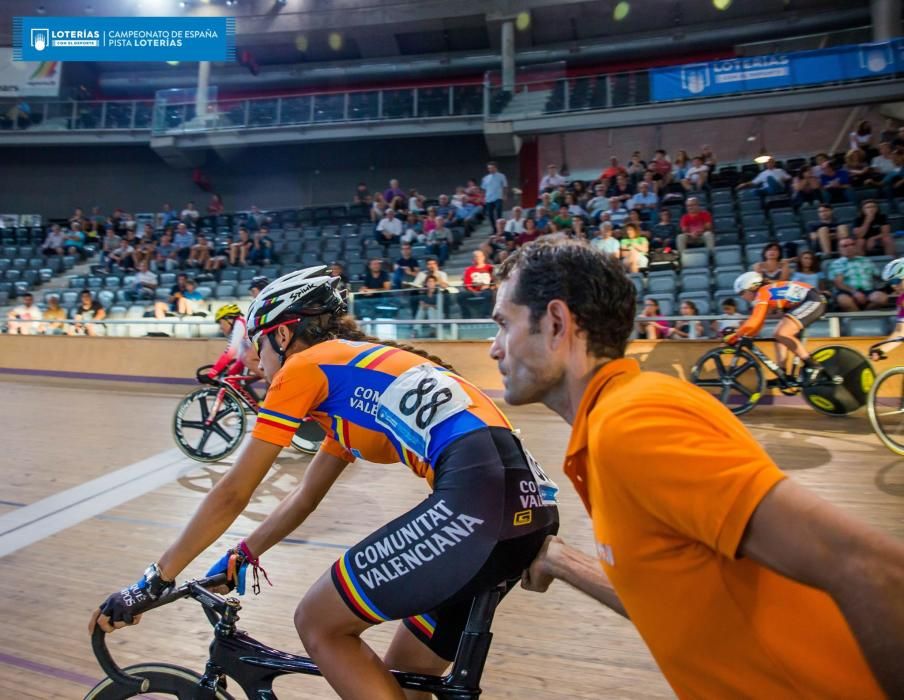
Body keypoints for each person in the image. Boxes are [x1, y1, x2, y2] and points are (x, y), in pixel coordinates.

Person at [91, 267, 559, 700]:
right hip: (525, 507)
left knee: (317, 621)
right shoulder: (349, 385)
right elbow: (303, 497)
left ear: (282, 333)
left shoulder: (303, 368)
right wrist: (243, 554)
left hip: (478, 505)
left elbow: (234, 491)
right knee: (401, 683)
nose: (254, 362)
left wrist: (152, 581)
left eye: (257, 345)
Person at [488, 237, 904, 699]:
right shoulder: (615, 421)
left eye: (504, 324)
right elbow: (672, 594)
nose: (494, 349)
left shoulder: (635, 423)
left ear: (556, 323)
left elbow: (870, 569)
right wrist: (562, 561)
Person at [728, 271, 827, 381]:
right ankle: (783, 374)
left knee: (782, 333)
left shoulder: (763, 292)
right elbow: (759, 322)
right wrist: (746, 334)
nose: (742, 297)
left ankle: (813, 365)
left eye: (742, 293)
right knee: (779, 336)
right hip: (806, 301)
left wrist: (737, 335)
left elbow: (755, 320)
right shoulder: (765, 291)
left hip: (813, 300)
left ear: (752, 287)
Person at [207, 304, 258, 392]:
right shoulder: (241, 327)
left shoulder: (240, 323)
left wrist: (212, 374)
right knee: (231, 377)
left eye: (220, 322)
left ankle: (260, 403)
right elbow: (240, 358)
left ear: (228, 319)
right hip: (260, 354)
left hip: (265, 354)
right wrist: (229, 373)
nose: (220, 328)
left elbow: (230, 352)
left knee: (241, 379)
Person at [829, 239, 889, 311]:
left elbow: (879, 276)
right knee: (844, 301)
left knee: (882, 298)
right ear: (839, 249)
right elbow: (838, 283)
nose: (850, 247)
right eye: (845, 246)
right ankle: (858, 318)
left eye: (852, 244)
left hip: (868, 290)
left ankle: (865, 315)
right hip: (847, 291)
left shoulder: (865, 260)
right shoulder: (837, 263)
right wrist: (854, 292)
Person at [870, 258, 904, 361]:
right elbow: (900, 333)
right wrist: (881, 350)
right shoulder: (901, 299)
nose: (894, 286)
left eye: (896, 280)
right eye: (891, 282)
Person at [481, 162, 508, 226]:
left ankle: (501, 229)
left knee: (499, 212)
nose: (490, 169)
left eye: (492, 168)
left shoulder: (501, 176)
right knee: (490, 215)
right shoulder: (485, 178)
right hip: (488, 199)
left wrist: (505, 195)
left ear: (496, 168)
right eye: (489, 168)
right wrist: (483, 198)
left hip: (498, 197)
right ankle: (494, 230)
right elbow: (483, 189)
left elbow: (505, 186)